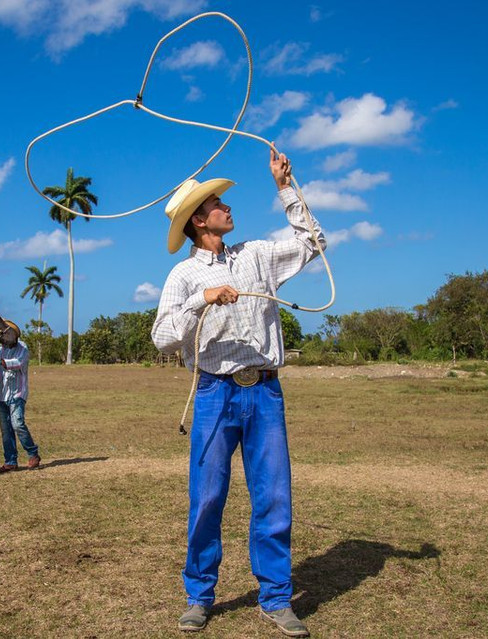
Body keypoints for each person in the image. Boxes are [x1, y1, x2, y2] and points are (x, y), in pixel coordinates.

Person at [152, 148, 325, 637]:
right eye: (217, 204)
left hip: (264, 392)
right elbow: (162, 337)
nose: (227, 206)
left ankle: (275, 598)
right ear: (200, 222)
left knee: (274, 496)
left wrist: (285, 187)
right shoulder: (183, 276)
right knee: (207, 497)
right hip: (213, 393)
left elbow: (315, 241)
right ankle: (199, 595)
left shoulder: (256, 255)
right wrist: (202, 298)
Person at [0, 321, 41, 473]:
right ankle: (10, 461)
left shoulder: (23, 348)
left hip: (17, 393)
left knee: (17, 424)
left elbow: (16, 363)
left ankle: (33, 453)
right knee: (5, 429)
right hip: (1, 394)